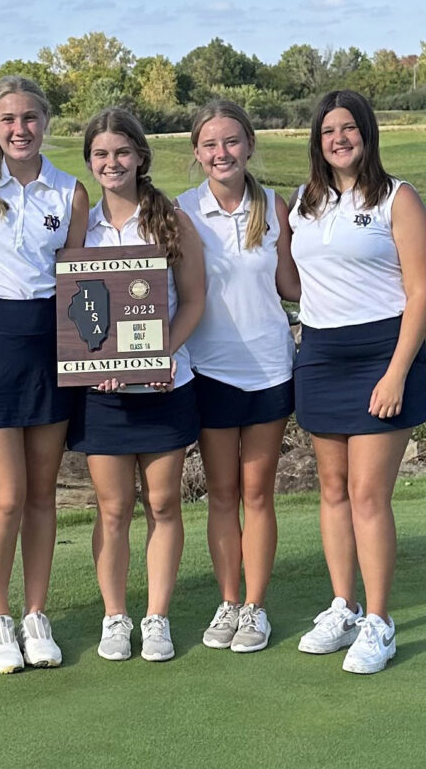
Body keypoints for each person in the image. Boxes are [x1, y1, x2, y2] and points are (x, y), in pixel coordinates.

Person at [289, 89, 426, 674]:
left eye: (348, 128)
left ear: (367, 134)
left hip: (381, 354)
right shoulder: (304, 201)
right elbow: (296, 280)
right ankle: (342, 607)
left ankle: (379, 622)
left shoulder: (399, 198)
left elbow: (420, 292)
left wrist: (397, 372)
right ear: (317, 142)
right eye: (328, 132)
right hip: (320, 351)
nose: (338, 139)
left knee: (368, 495)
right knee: (332, 490)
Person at [0, 76, 89, 673]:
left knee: (41, 495)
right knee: (5, 498)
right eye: (7, 119)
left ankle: (36, 614)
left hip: (52, 340)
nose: (19, 128)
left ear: (46, 122)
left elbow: (81, 279)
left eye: (30, 117)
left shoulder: (71, 191)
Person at [70, 108, 205, 662]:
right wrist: (94, 360)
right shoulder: (82, 224)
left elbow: (193, 300)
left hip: (166, 385)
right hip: (101, 392)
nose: (111, 163)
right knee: (112, 508)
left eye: (122, 152)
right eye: (101, 154)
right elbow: (75, 303)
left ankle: (156, 618)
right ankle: (115, 617)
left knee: (165, 503)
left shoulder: (171, 219)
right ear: (90, 162)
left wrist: (159, 354)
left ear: (141, 157)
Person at [175, 101, 299, 654]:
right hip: (208, 369)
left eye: (230, 142)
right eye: (209, 144)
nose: (220, 153)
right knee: (222, 494)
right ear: (197, 152)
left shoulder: (275, 206)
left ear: (249, 145)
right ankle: (228, 601)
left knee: (258, 493)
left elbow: (293, 284)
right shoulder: (180, 211)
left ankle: (256, 607)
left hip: (270, 367)